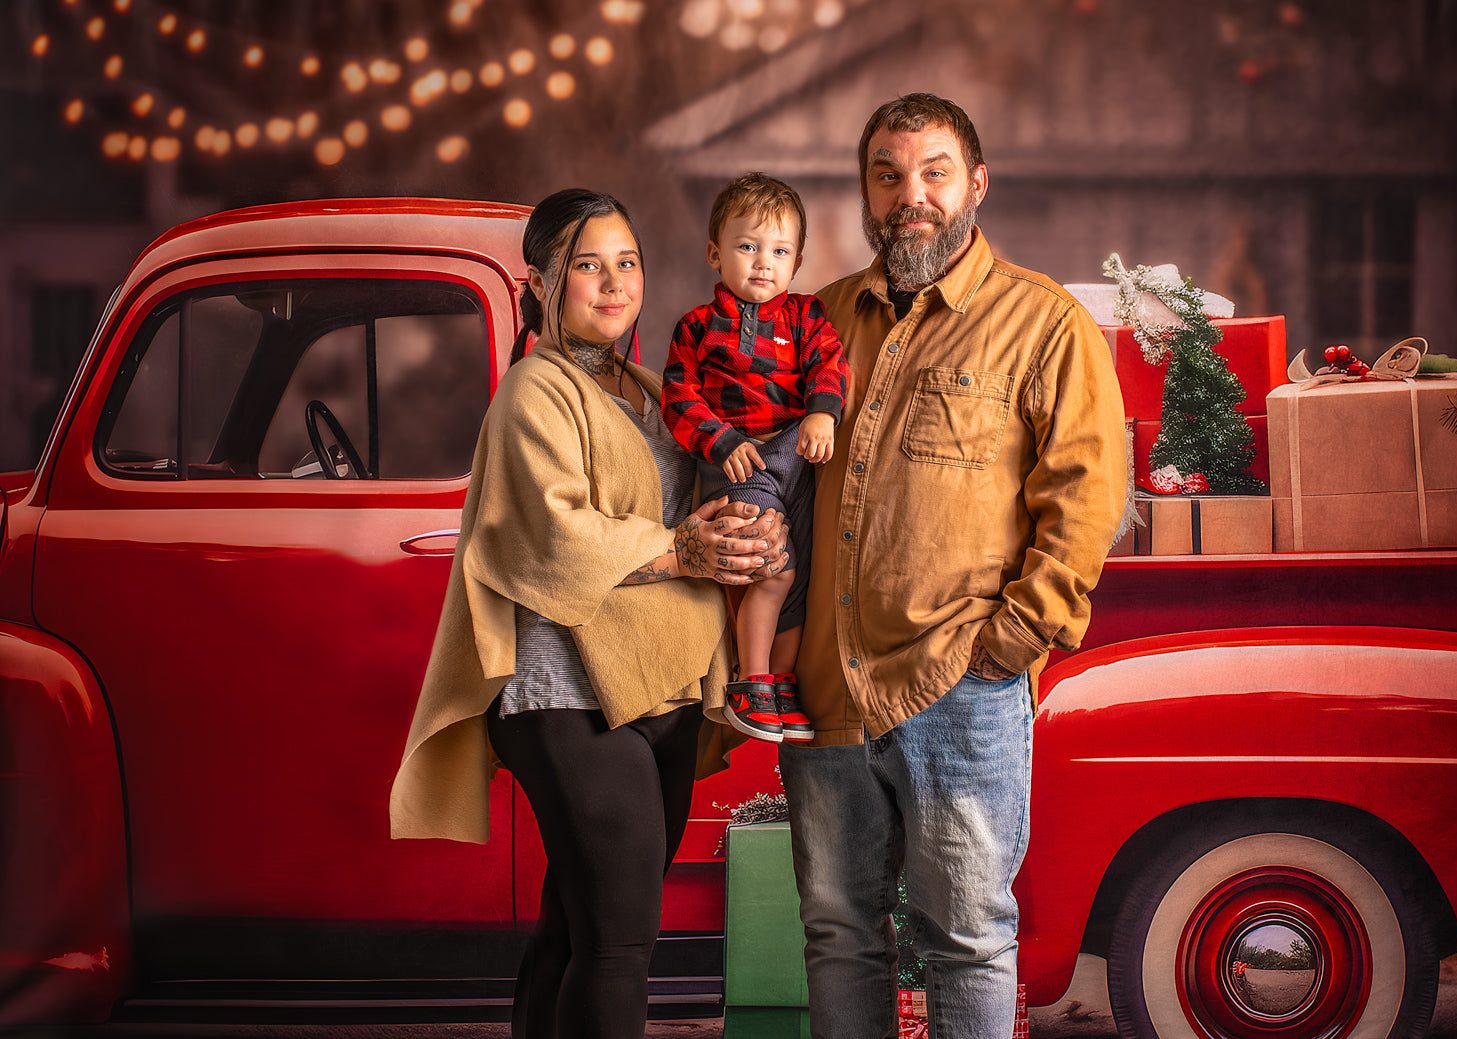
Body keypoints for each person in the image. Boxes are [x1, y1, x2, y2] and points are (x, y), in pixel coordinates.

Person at [389, 188, 788, 1039]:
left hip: (660, 687)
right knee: (620, 941)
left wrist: (758, 536)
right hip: (566, 694)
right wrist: (683, 550)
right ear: (541, 282)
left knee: (577, 924)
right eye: (587, 266)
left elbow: (721, 493)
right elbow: (552, 535)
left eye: (628, 262)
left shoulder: (651, 389)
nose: (613, 283)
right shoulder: (535, 389)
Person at [780, 93, 1127, 1038]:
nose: (910, 196)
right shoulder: (815, 323)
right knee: (838, 931)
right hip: (823, 693)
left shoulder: (1042, 322)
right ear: (864, 190)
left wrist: (1005, 646)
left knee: (968, 935)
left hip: (959, 687)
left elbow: (1087, 499)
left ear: (976, 183)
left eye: (933, 172)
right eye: (887, 175)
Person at [662, 172, 850, 744]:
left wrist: (822, 412)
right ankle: (752, 680)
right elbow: (678, 397)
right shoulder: (696, 327)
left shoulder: (807, 316)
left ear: (796, 262)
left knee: (801, 581)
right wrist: (720, 440)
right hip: (737, 463)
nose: (763, 262)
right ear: (716, 254)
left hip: (796, 458)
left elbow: (830, 363)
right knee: (771, 566)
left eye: (779, 251)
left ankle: (783, 685)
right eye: (747, 247)